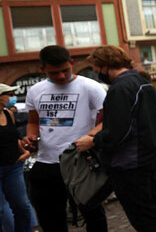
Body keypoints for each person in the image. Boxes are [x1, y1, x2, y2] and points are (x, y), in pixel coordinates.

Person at [74, 46, 156, 231]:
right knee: (152, 213)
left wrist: (93, 141)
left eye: (96, 68)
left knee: (143, 218)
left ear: (105, 65)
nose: (96, 73)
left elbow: (118, 131)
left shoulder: (120, 89)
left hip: (129, 164)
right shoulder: (142, 82)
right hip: (146, 159)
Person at [22, 46, 107, 232]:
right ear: (43, 69)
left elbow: (109, 120)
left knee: (93, 214)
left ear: (72, 63)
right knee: (50, 218)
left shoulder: (90, 87)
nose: (61, 76)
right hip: (47, 162)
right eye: (54, 72)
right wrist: (31, 135)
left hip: (80, 162)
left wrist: (90, 137)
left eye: (65, 70)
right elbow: (33, 122)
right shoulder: (35, 90)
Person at [0, 84, 32, 232]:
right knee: (1, 209)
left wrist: (23, 152)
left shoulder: (8, 114)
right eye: (9, 94)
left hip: (14, 166)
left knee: (22, 206)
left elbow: (14, 136)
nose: (13, 97)